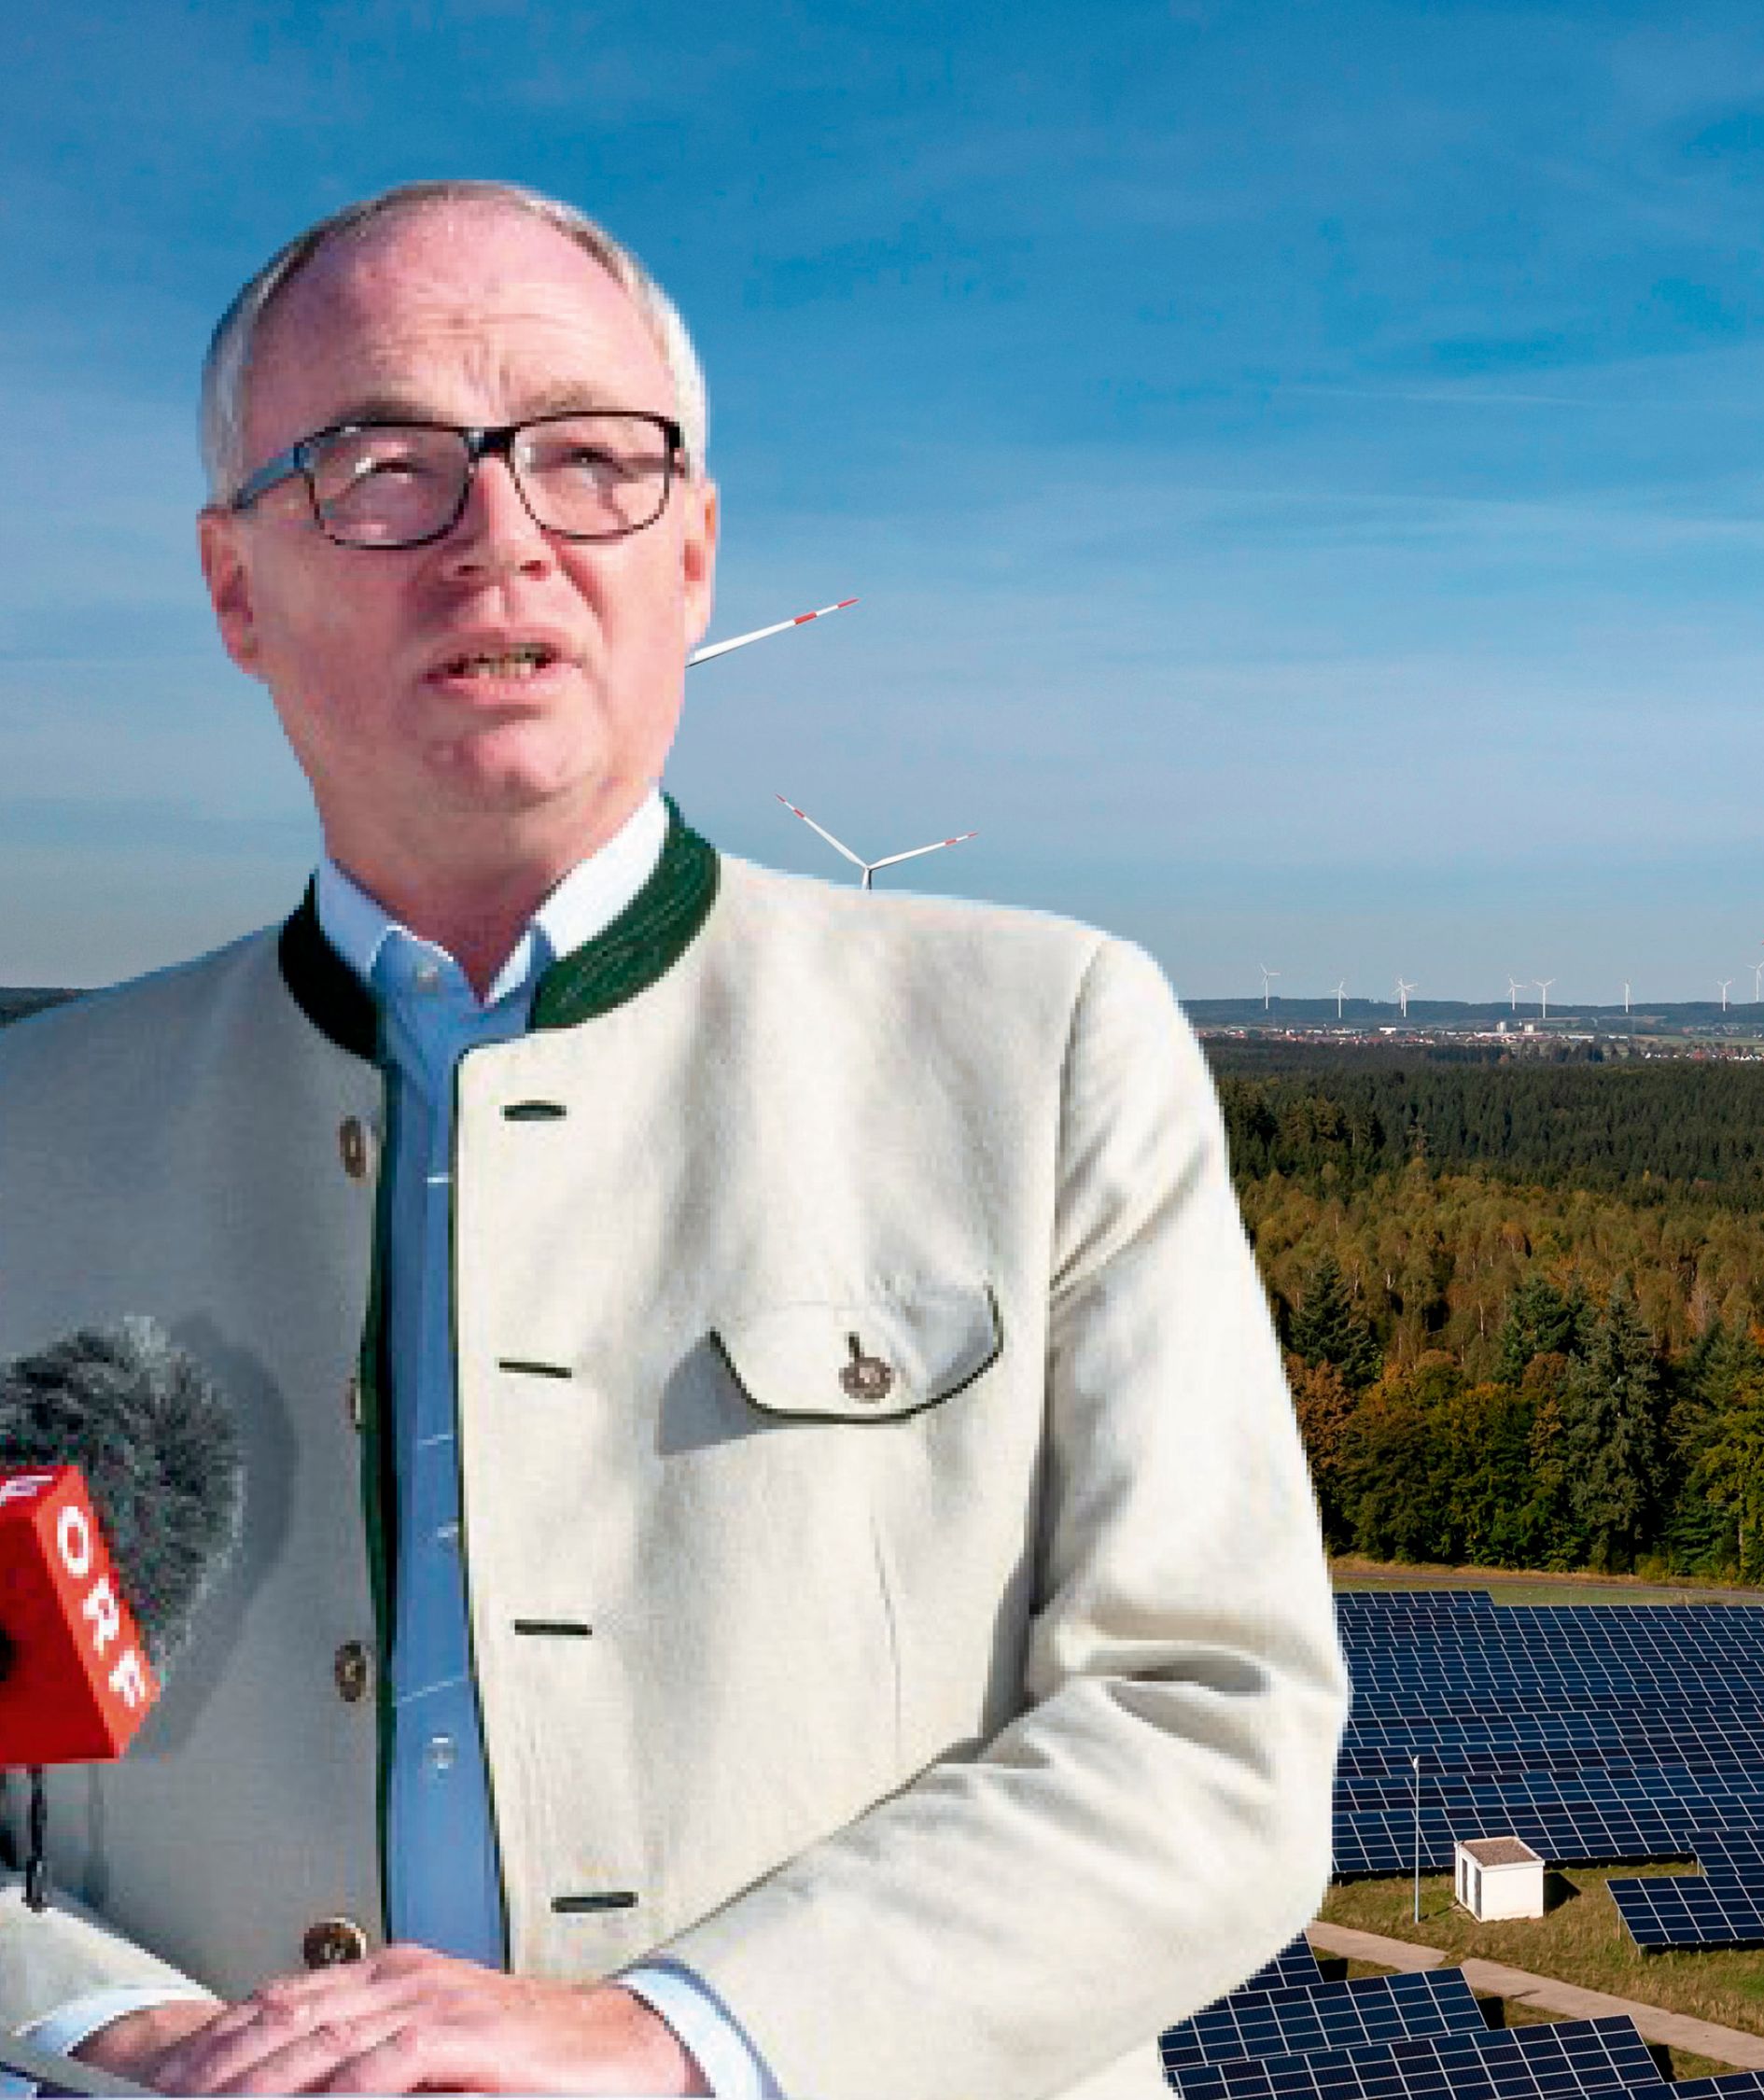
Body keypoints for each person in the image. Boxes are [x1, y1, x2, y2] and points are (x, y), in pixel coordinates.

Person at [0, 181, 1346, 2097]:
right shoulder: (25, 1132)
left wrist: (680, 2038)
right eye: (384, 466)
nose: (502, 542)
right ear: (236, 586)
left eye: (591, 463)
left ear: (695, 554)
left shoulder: (1041, 1047)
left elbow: (1208, 1729)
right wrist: (117, 2034)